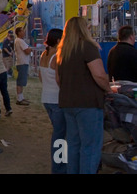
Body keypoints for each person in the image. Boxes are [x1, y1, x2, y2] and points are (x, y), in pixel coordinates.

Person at [56, 17, 112, 174]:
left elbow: (58, 80)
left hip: (68, 103)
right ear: (84, 28)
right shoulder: (87, 46)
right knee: (90, 147)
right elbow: (99, 75)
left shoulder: (63, 51)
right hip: (88, 104)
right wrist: (108, 90)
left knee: (73, 145)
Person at [39, 28, 66, 174]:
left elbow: (40, 75)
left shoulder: (44, 54)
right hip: (56, 99)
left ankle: (60, 166)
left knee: (58, 133)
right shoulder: (56, 56)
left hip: (46, 98)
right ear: (58, 40)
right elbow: (59, 79)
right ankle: (59, 168)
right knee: (60, 136)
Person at [0, 37, 13, 116]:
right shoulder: (0, 51)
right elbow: (3, 61)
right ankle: (8, 108)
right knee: (5, 92)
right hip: (3, 72)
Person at [14, 27, 32, 105]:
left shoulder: (18, 41)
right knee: (21, 81)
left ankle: (21, 97)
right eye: (22, 31)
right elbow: (27, 51)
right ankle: (19, 98)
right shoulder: (20, 41)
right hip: (22, 63)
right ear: (18, 32)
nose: (24, 32)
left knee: (21, 81)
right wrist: (30, 48)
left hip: (21, 62)